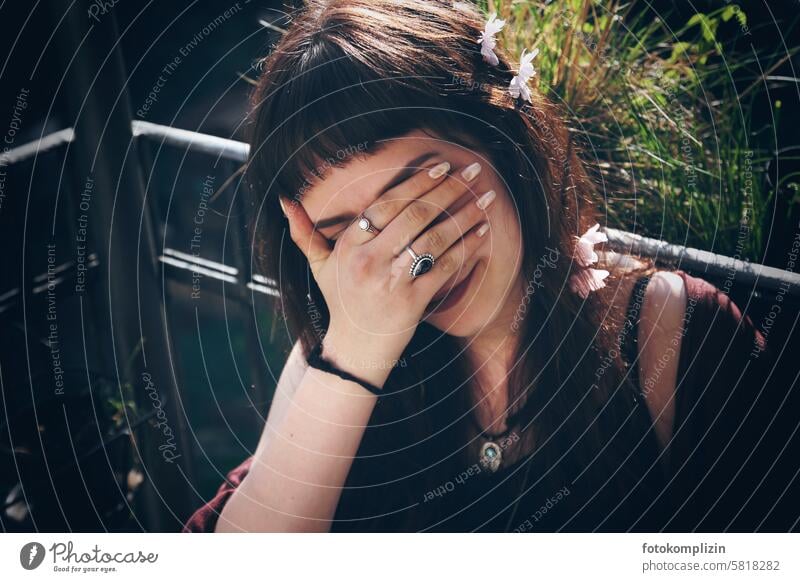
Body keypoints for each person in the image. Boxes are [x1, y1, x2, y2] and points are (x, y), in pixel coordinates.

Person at [182, 0, 788, 532]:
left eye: (421, 202)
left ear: (499, 135)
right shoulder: (336, 356)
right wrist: (353, 362)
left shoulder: (665, 333)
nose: (409, 260)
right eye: (354, 239)